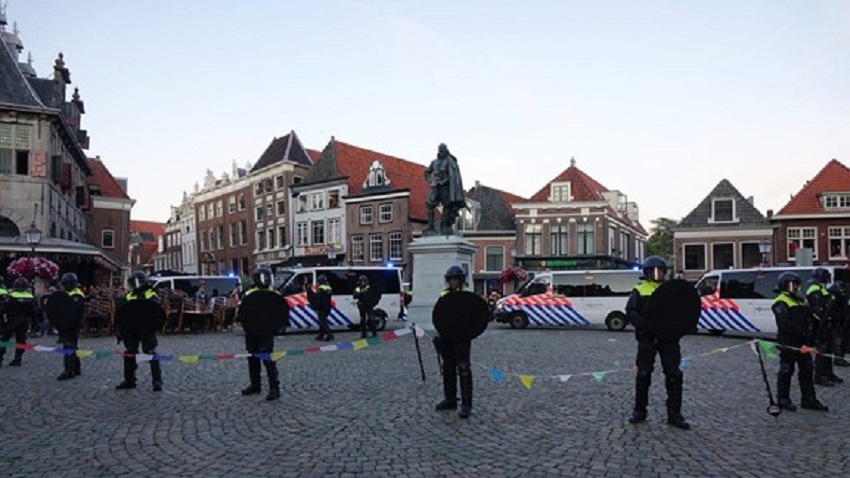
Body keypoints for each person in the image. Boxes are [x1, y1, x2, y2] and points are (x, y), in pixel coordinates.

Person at [625, 256, 690, 430]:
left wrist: (683, 327)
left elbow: (682, 310)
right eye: (654, 271)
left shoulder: (671, 290)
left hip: (669, 340)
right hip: (647, 340)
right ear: (647, 273)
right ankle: (639, 410)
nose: (658, 274)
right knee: (644, 374)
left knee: (674, 375)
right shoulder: (640, 290)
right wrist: (644, 327)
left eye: (661, 271)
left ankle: (674, 413)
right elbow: (631, 311)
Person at [773, 272, 828, 411]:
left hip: (804, 341)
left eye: (797, 285)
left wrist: (813, 331)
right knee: (786, 371)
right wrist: (804, 332)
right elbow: (785, 324)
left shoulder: (800, 300)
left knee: (807, 371)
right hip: (789, 342)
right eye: (793, 285)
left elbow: (809, 318)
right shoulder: (781, 301)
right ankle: (783, 399)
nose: (796, 287)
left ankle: (809, 399)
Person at [433, 265, 474, 419]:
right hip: (447, 336)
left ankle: (466, 403)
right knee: (448, 368)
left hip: (462, 337)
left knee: (463, 368)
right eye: (451, 280)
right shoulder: (444, 294)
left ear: (461, 280)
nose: (453, 282)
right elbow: (440, 315)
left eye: (456, 280)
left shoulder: (467, 295)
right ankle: (450, 399)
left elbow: (473, 316)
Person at [116, 271, 164, 392]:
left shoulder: (150, 293)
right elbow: (124, 313)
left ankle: (157, 380)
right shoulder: (129, 295)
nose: (130, 287)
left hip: (146, 328)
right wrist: (121, 330)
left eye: (132, 284)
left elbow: (154, 310)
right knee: (129, 353)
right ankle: (129, 380)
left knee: (150, 351)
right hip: (132, 329)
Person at [240, 267, 280, 401]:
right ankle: (255, 384)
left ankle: (274, 388)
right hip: (252, 330)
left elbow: (279, 313)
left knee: (268, 360)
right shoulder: (249, 293)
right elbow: (244, 311)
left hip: (266, 331)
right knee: (252, 358)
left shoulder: (274, 294)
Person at [806, 268, 843, 386]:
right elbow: (819, 310)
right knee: (821, 351)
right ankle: (819, 375)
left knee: (828, 350)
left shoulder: (822, 289)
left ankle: (828, 372)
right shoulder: (815, 290)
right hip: (820, 325)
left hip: (827, 324)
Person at [0, 277, 37, 367]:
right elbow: (34, 312)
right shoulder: (30, 297)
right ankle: (18, 359)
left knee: (4, 339)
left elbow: (4, 309)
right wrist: (34, 324)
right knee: (21, 340)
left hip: (13, 320)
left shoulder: (12, 296)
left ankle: (0, 358)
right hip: (25, 321)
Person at [56, 273, 85, 380]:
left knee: (68, 347)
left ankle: (69, 370)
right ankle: (76, 368)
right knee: (72, 346)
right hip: (67, 324)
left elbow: (71, 311)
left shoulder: (76, 295)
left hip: (72, 324)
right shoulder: (68, 294)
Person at [306, 275, 334, 342]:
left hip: (322, 307)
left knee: (322, 321)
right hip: (327, 307)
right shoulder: (328, 288)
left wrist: (309, 290)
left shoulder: (321, 289)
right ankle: (321, 335)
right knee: (322, 321)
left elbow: (316, 298)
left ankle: (329, 334)